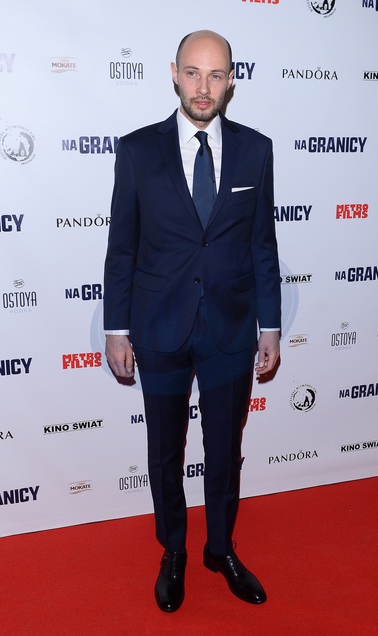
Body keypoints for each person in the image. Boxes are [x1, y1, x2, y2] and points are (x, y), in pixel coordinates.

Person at [103, 30, 281, 612]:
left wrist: (271, 325)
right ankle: (174, 550)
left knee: (225, 447)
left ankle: (220, 548)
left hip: (231, 326)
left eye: (216, 75)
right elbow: (122, 247)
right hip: (158, 325)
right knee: (165, 450)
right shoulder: (137, 150)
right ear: (174, 73)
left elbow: (262, 245)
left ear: (231, 81)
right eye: (193, 73)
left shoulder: (256, 149)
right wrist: (116, 328)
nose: (203, 87)